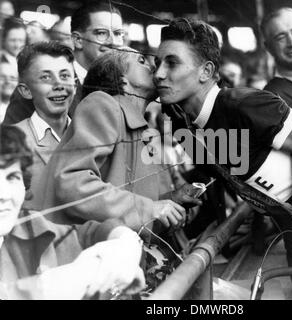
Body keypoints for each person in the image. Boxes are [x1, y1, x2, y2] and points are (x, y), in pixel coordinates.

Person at [154, 18, 292, 299]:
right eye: (156, 64)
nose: (159, 74)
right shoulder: (186, 125)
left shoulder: (246, 104)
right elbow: (218, 173)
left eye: (172, 63)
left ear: (206, 71)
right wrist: (183, 193)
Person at [33, 48, 201, 232]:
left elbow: (129, 203)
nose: (154, 66)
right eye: (141, 61)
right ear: (122, 79)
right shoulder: (102, 104)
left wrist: (169, 201)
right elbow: (72, 183)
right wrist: (151, 209)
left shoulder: (140, 130)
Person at [0, 124, 145, 300]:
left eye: (12, 177)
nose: (4, 195)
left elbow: (91, 233)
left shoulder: (26, 225)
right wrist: (63, 282)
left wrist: (126, 245)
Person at [3, 1, 124, 124]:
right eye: (101, 33)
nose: (114, 42)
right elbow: (11, 138)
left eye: (118, 33)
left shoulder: (124, 85)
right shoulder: (36, 84)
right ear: (77, 40)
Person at [13, 42, 75, 208]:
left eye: (65, 76)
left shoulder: (91, 133)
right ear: (26, 90)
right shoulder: (11, 141)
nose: (59, 85)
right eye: (45, 77)